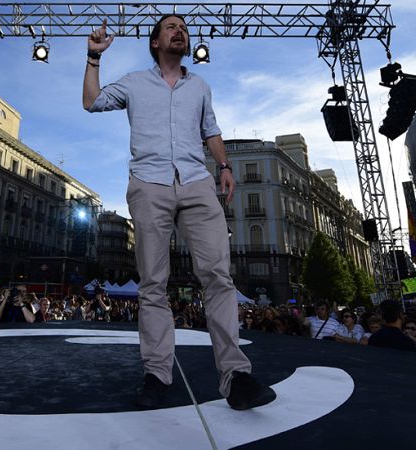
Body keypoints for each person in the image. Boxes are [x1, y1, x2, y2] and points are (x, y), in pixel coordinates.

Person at [83, 15, 275, 410]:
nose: (180, 31)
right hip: (149, 183)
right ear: (155, 42)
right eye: (171, 26)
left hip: (196, 181)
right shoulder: (134, 82)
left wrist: (224, 166)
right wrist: (93, 57)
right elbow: (92, 101)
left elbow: (211, 131)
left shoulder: (200, 86)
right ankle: (156, 374)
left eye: (183, 27)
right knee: (153, 282)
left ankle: (236, 377)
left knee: (218, 277)